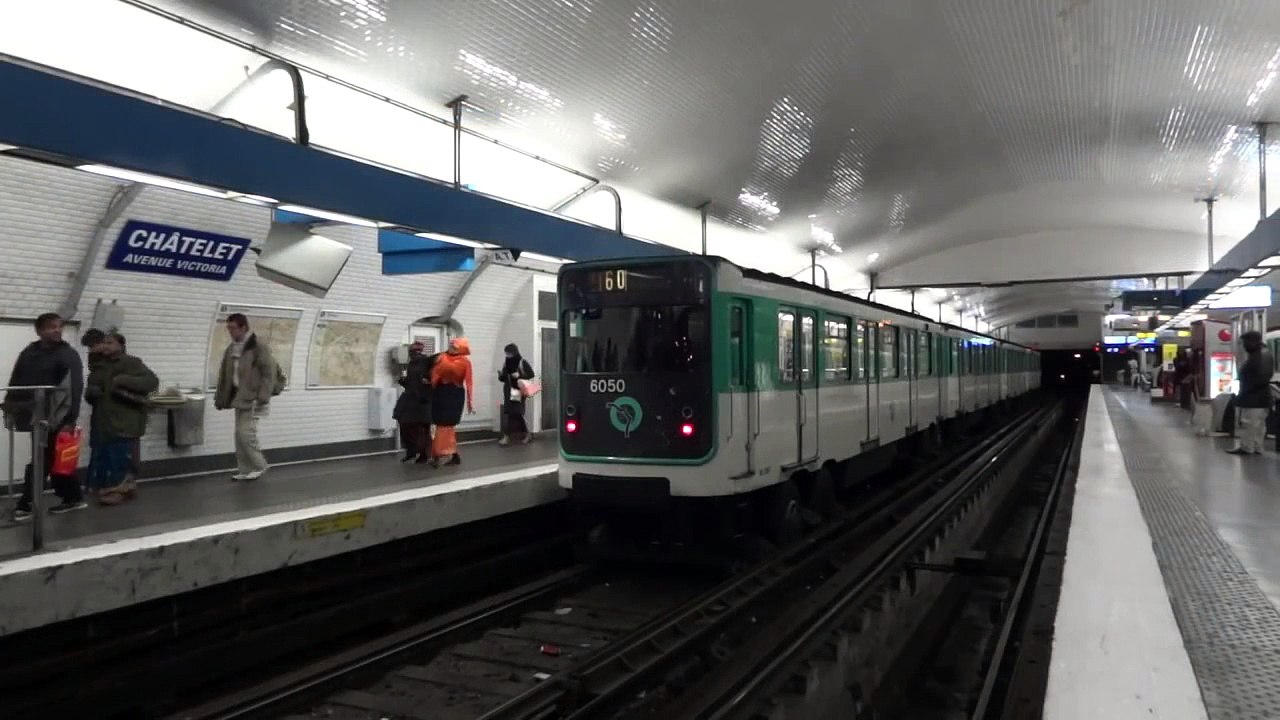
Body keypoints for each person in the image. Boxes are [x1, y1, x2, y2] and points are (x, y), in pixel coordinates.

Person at [5, 313, 86, 519]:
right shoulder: (29, 353)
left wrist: (70, 419)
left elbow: (75, 388)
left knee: (46, 460)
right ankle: (73, 497)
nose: (57, 330)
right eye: (51, 327)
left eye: (59, 326)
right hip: (36, 414)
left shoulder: (67, 355)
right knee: (46, 459)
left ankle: (27, 503)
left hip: (57, 416)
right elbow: (17, 380)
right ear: (39, 330)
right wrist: (10, 407)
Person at [84, 331, 158, 505]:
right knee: (105, 457)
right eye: (104, 342)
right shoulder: (99, 366)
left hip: (125, 420)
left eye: (110, 342)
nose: (105, 346)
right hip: (103, 420)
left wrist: (123, 380)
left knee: (121, 457)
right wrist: (91, 393)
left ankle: (121, 490)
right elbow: (91, 391)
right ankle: (107, 487)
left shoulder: (131, 363)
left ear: (121, 346)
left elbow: (151, 382)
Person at [213, 313, 278, 481]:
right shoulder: (232, 348)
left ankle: (259, 465)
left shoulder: (258, 346)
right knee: (238, 435)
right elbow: (225, 375)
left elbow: (268, 374)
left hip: (254, 398)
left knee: (246, 433)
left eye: (233, 328)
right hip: (239, 397)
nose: (230, 331)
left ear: (243, 327)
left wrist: (263, 397)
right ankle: (245, 469)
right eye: (228, 328)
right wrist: (221, 398)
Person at [429, 337, 474, 466]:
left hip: (453, 394)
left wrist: (470, 402)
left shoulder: (464, 362)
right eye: (451, 345)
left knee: (445, 425)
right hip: (441, 393)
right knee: (442, 425)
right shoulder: (441, 357)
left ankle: (442, 454)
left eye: (454, 347)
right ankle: (450, 454)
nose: (451, 348)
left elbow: (469, 382)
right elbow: (434, 374)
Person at [1228, 330, 1274, 456]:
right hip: (1262, 397)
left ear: (1252, 342)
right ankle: (1257, 446)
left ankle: (1247, 447)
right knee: (1259, 424)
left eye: (1245, 343)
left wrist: (1242, 393)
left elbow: (1257, 378)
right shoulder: (1265, 354)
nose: (1244, 346)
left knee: (1249, 423)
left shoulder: (1258, 357)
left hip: (1253, 397)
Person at [394, 341, 434, 464]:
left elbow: (417, 383)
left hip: (417, 401)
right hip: (420, 401)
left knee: (411, 428)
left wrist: (405, 382)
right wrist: (405, 382)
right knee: (421, 429)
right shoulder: (422, 363)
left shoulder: (418, 363)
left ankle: (417, 453)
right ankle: (421, 454)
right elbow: (417, 383)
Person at [497, 343, 535, 446]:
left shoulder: (522, 362)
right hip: (509, 391)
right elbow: (504, 378)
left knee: (518, 413)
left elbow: (531, 374)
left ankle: (522, 435)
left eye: (509, 353)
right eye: (506, 353)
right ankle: (511, 436)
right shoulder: (506, 363)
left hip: (518, 391)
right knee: (511, 413)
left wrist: (519, 375)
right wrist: (501, 375)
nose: (507, 355)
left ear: (514, 353)